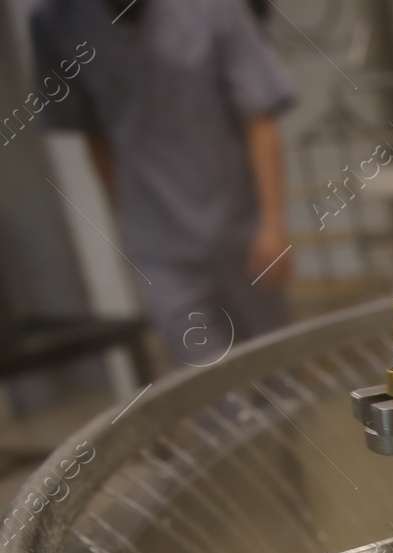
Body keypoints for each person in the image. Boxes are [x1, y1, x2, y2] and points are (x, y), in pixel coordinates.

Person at [29, 0, 296, 366]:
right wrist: (127, 224)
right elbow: (94, 133)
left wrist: (272, 224)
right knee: (205, 384)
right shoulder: (57, 19)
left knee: (273, 367)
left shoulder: (212, 11)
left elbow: (259, 118)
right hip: (157, 243)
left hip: (237, 227)